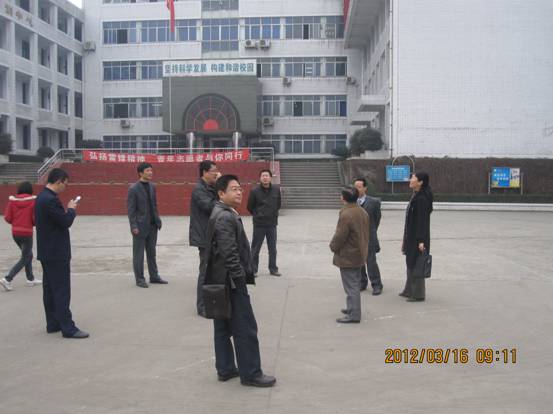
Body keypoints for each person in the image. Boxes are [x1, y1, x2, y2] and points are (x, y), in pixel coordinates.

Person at [204, 174, 276, 387]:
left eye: (240, 188)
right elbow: (230, 253)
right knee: (245, 329)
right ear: (221, 193)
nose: (239, 192)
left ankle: (225, 369)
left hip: (219, 280)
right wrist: (240, 280)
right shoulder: (225, 217)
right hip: (231, 283)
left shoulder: (221, 212)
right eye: (233, 189)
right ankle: (251, 373)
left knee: (222, 327)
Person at [35, 168, 88, 338]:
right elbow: (65, 222)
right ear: (58, 181)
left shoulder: (41, 197)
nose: (65, 187)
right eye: (65, 184)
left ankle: (53, 323)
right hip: (56, 252)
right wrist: (71, 209)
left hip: (46, 251)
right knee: (61, 290)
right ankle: (68, 328)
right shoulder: (51, 200)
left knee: (50, 290)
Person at [329, 186, 369, 323]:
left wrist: (333, 246)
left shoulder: (346, 214)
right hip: (359, 252)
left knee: (351, 286)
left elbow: (340, 235)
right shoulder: (362, 211)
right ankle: (352, 308)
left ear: (343, 198)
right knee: (354, 283)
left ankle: (354, 314)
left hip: (349, 254)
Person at [127, 162, 167, 288]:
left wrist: (158, 220)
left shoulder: (152, 186)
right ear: (140, 173)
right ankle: (140, 279)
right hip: (139, 227)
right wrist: (133, 226)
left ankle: (154, 276)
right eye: (148, 170)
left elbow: (154, 205)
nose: (150, 172)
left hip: (152, 225)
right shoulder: (133, 189)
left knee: (151, 253)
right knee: (138, 255)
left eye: (151, 170)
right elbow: (131, 210)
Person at [189, 160, 218, 316]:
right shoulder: (199, 189)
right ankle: (202, 307)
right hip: (204, 236)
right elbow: (211, 206)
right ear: (205, 172)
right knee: (205, 272)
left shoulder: (211, 187)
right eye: (214, 171)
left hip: (213, 234)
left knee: (214, 271)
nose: (216, 173)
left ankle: (213, 301)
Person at [399, 171, 433, 302]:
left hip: (418, 238)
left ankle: (418, 294)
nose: (410, 180)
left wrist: (421, 241)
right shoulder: (416, 195)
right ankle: (409, 290)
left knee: (417, 264)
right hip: (411, 236)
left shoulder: (422, 199)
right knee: (410, 262)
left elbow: (422, 222)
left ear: (420, 182)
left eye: (413, 178)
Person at [1, 181, 41, 291]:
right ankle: (7, 279)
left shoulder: (12, 201)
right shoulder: (33, 201)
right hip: (27, 233)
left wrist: (16, 223)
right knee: (26, 257)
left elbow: (7, 218)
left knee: (28, 255)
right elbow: (34, 219)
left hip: (15, 233)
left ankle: (30, 279)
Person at [247, 169, 282, 277]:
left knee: (272, 249)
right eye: (263, 176)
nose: (265, 177)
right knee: (255, 248)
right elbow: (249, 207)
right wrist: (258, 215)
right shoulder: (254, 191)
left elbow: (278, 204)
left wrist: (272, 214)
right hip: (259, 224)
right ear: (260, 178)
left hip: (272, 224)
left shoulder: (276, 190)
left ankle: (273, 269)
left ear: (270, 178)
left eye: (267, 175)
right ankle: (253, 270)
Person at [354, 178, 383, 295]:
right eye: (355, 187)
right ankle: (362, 282)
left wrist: (371, 231)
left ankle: (377, 284)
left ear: (365, 188)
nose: (356, 189)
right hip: (356, 237)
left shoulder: (374, 202)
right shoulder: (351, 201)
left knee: (371, 261)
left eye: (359, 187)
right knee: (359, 261)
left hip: (369, 236)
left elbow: (377, 219)